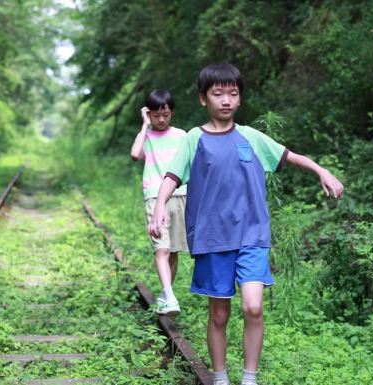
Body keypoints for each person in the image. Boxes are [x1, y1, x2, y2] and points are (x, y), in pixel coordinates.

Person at [148, 63, 344, 385]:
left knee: (254, 307)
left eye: (233, 94)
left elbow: (290, 157)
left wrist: (322, 171)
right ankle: (221, 377)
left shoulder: (250, 137)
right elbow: (171, 177)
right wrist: (159, 208)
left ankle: (249, 379)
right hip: (212, 239)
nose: (226, 100)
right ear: (203, 99)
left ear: (239, 99)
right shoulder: (194, 139)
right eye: (218, 93)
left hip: (251, 235)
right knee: (220, 314)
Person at [130, 89, 188, 316]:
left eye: (165, 115)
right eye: (156, 115)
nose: (161, 119)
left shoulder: (182, 136)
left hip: (181, 195)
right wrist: (145, 126)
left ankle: (167, 295)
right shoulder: (147, 137)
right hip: (155, 197)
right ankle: (169, 294)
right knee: (161, 249)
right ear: (149, 114)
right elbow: (135, 154)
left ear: (171, 112)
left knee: (173, 251)